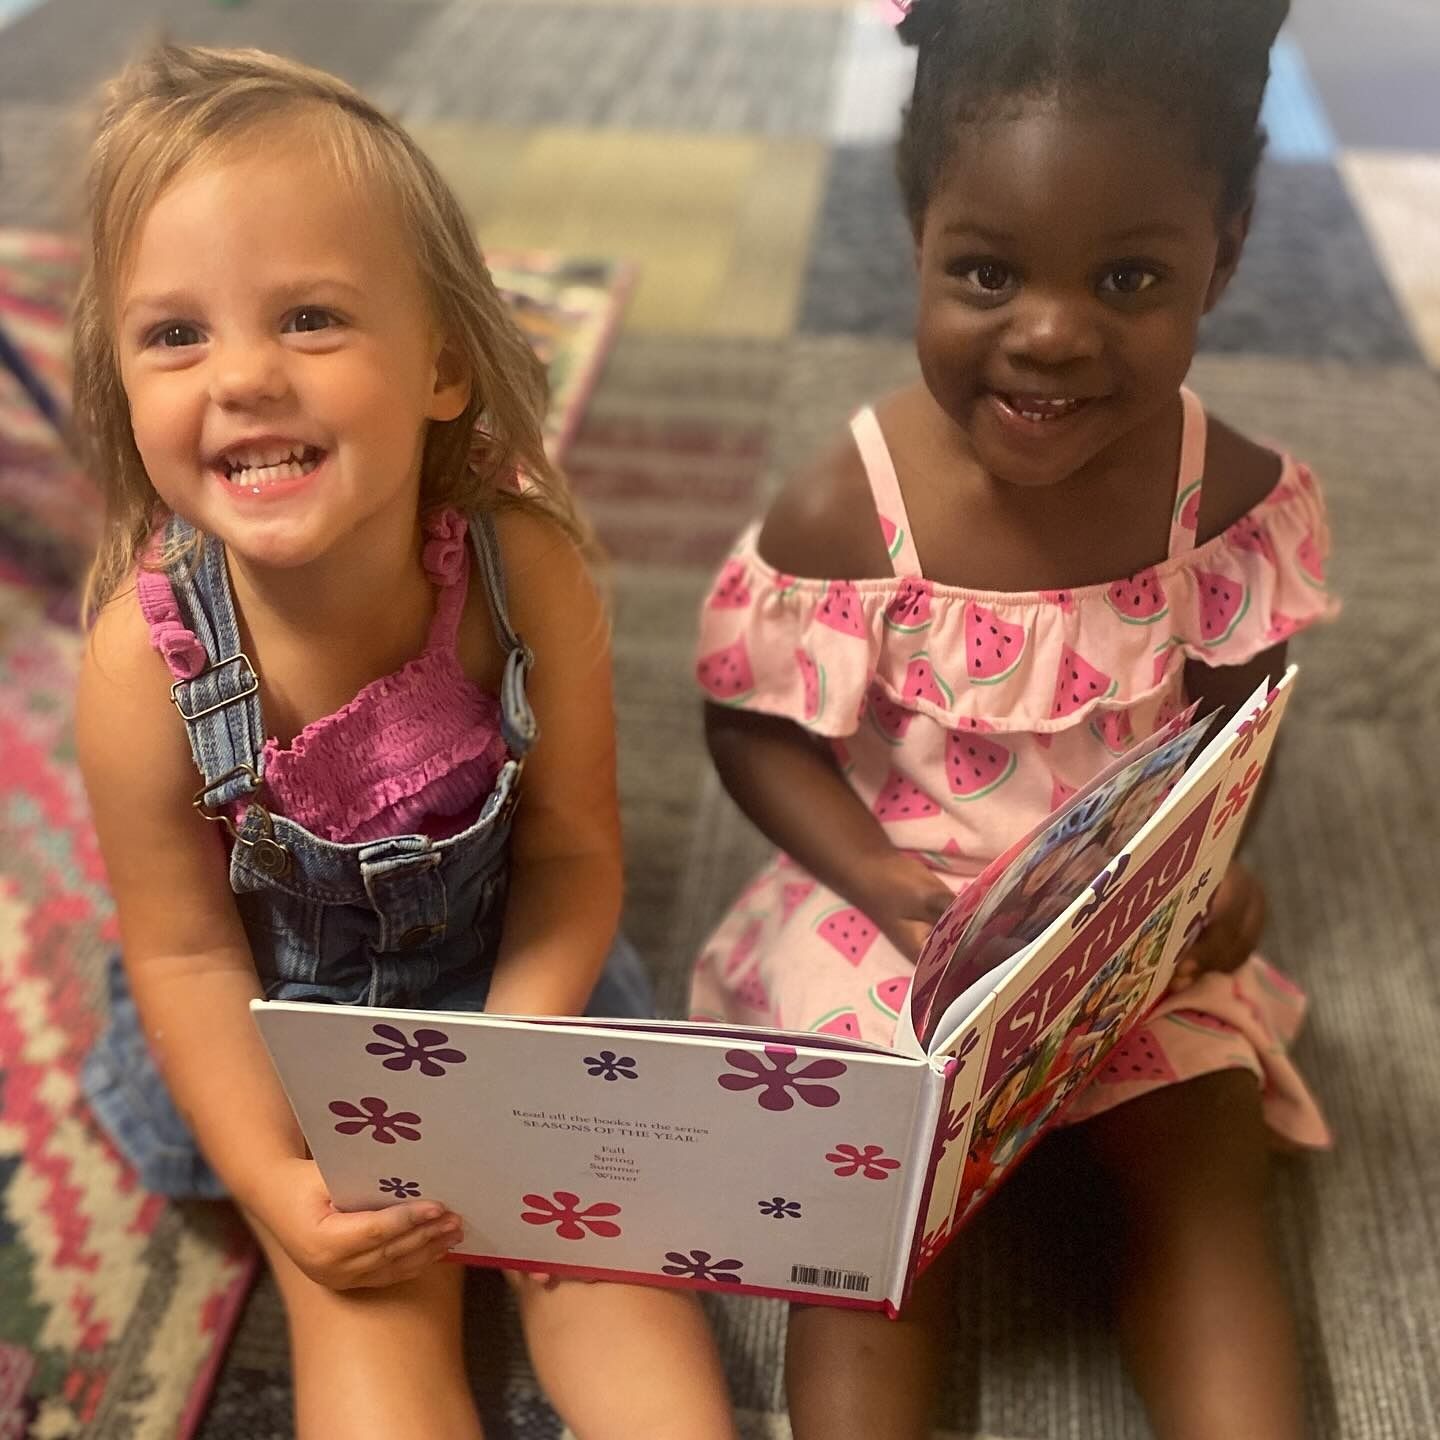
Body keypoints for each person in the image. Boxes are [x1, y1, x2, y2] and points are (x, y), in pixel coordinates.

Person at [690, 2, 1337, 1435]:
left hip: (1122, 917)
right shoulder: (843, 505)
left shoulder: (1224, 497)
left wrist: (1210, 864)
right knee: (864, 1225)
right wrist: (877, 884)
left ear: (1222, 254)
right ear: (919, 232)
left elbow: (1246, 703)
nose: (1048, 335)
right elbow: (748, 725)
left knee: (1206, 1175)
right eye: (986, 272)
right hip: (903, 908)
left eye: (1127, 277)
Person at [73, 44, 735, 1440]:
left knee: (606, 1270)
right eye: (175, 335)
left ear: (442, 361)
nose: (242, 376)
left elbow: (568, 847)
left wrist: (510, 1071)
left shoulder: (526, 571)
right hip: (289, 1052)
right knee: (367, 1306)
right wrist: (281, 1187)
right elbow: (186, 952)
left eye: (309, 317)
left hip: (522, 991)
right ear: (120, 380)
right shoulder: (144, 664)